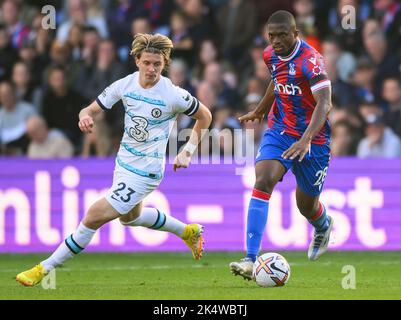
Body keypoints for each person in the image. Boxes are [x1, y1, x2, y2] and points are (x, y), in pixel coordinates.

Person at [16, 33, 212, 286]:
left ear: (165, 63)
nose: (152, 69)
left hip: (146, 171)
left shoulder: (173, 94)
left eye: (158, 64)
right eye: (147, 63)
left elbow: (205, 116)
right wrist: (84, 116)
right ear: (137, 61)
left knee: (93, 216)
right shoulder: (125, 85)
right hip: (123, 164)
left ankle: (44, 268)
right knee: (130, 219)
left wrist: (187, 151)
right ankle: (188, 231)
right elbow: (90, 108)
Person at [229, 11, 334, 280]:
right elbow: (277, 83)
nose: (275, 41)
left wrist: (306, 139)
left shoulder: (311, 61)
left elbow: (325, 103)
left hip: (314, 138)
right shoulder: (269, 55)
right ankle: (250, 258)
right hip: (281, 130)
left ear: (295, 34)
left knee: (306, 206)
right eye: (271, 36)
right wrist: (260, 110)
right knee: (263, 180)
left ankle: (322, 225)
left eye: (281, 35)